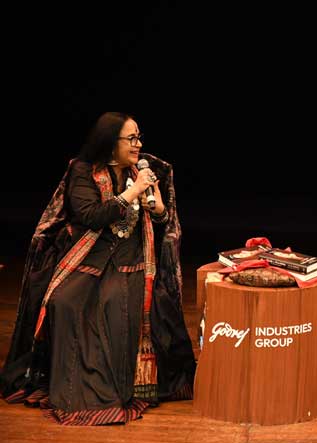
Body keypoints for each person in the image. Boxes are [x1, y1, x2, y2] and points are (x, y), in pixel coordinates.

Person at [0, 112, 196, 425]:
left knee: (113, 304)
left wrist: (157, 209)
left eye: (138, 137)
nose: (138, 145)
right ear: (109, 141)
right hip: (89, 255)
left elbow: (160, 224)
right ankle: (67, 389)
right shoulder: (82, 171)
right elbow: (90, 216)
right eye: (131, 139)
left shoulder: (142, 172)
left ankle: (113, 392)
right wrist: (132, 192)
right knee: (64, 302)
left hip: (130, 259)